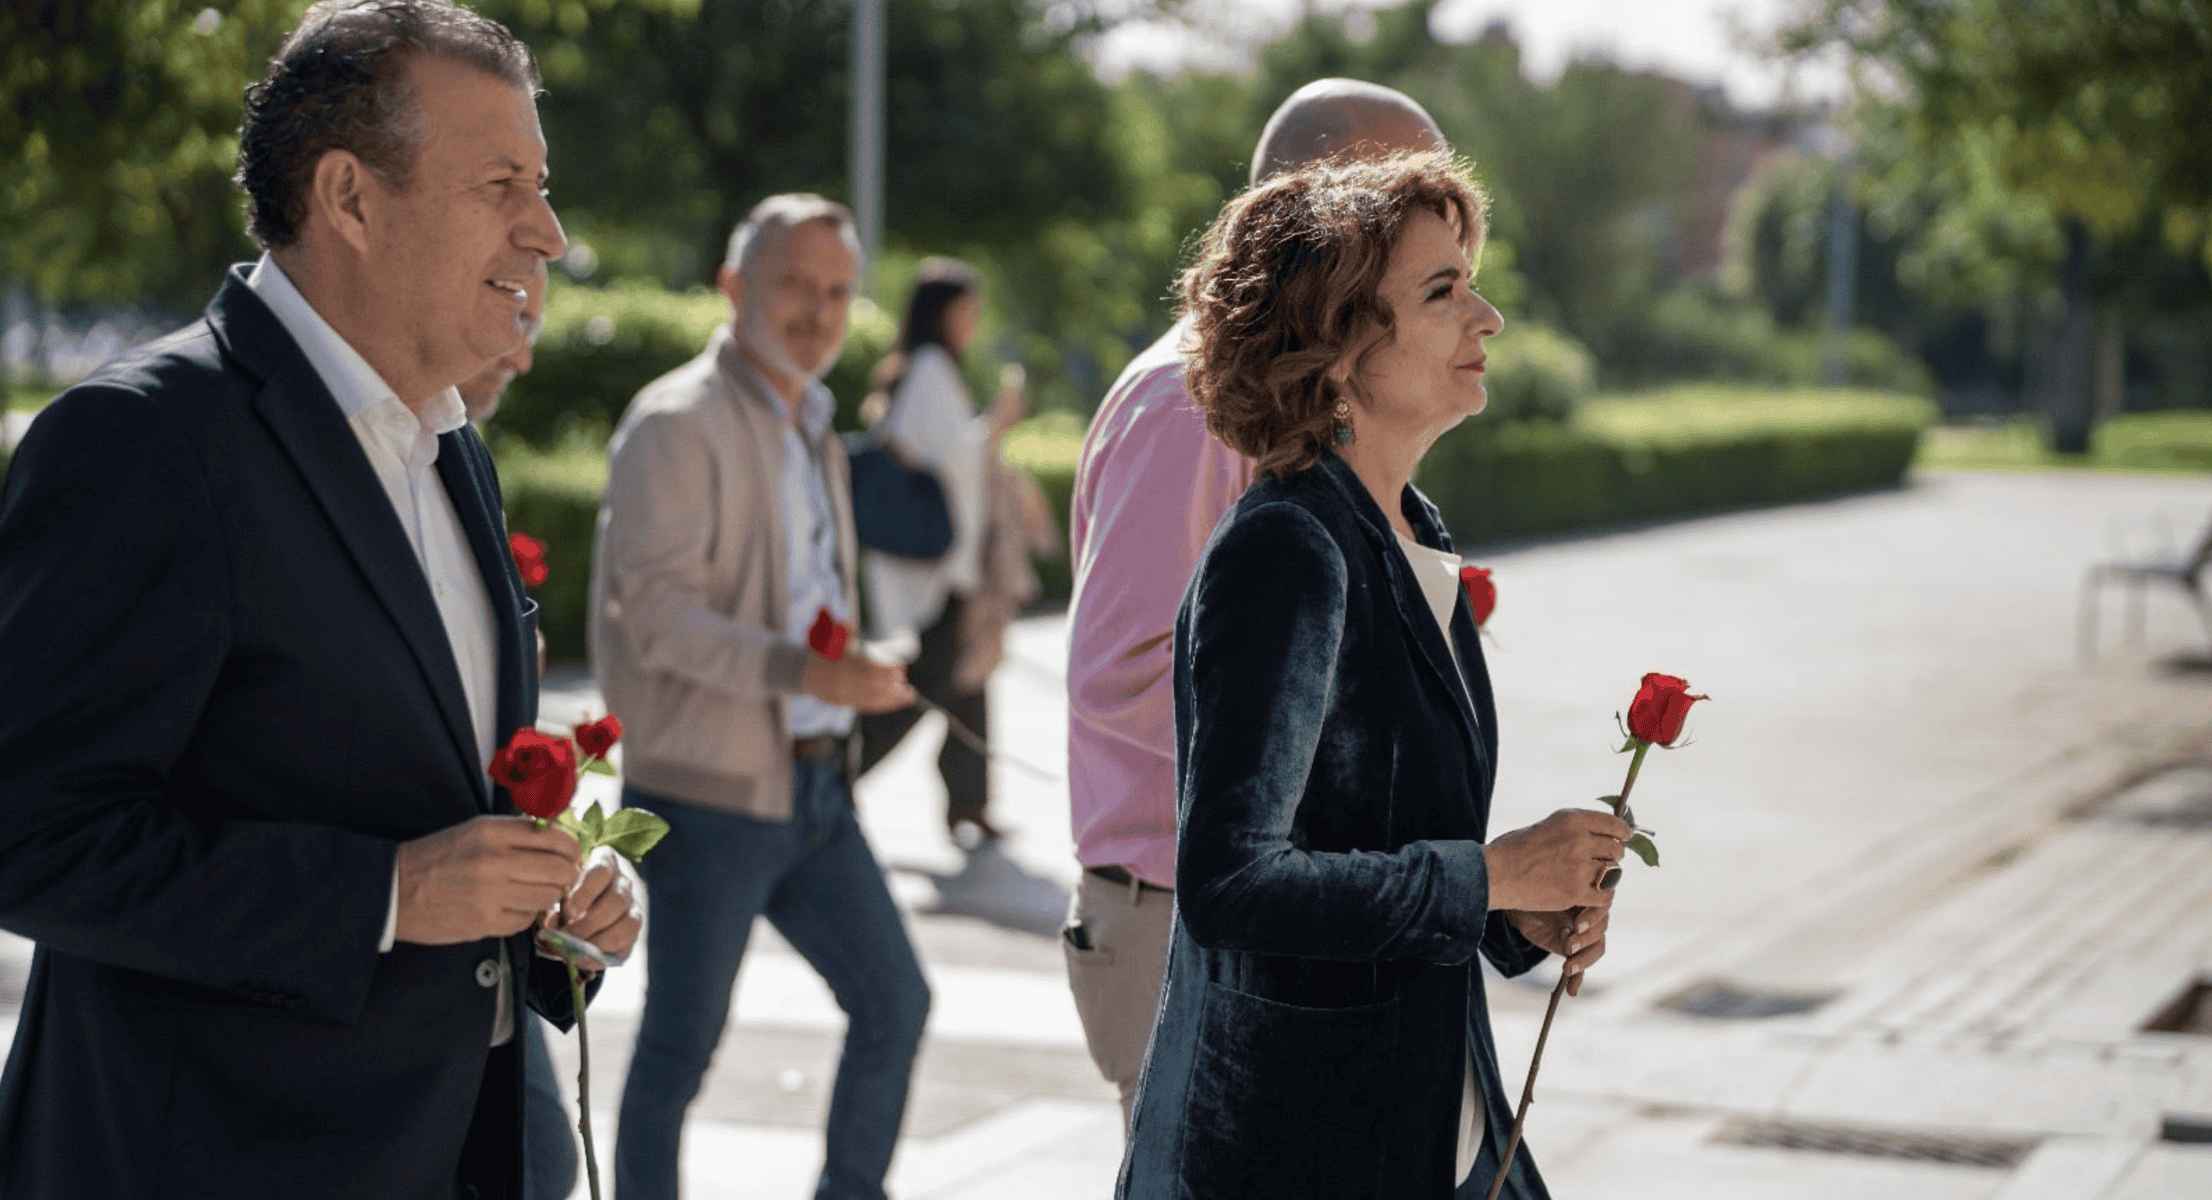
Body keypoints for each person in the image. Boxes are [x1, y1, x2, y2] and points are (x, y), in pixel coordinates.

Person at [0, 4, 642, 1197]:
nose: (547, 232)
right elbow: (31, 835)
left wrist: (554, 901)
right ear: (349, 198)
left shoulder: (452, 445)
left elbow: (430, 780)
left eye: (542, 184)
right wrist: (386, 899)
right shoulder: (143, 441)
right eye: (502, 182)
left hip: (453, 1145)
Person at [1115, 150, 1630, 1200]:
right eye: (1443, 291)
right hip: (1292, 1145)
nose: (1486, 318)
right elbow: (1232, 885)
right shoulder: (1288, 551)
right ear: (1338, 347)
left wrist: (1510, 913)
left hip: (1414, 1111)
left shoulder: (1404, 531)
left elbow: (1369, 837)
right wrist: (1487, 874)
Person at [1064, 78, 1457, 1128]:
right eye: (1403, 192)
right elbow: (1123, 669)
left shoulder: (1296, 397)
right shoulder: (1190, 402)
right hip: (1181, 918)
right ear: (1321, 204)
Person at [592, 193, 930, 1200]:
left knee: (895, 1004)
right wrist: (805, 671)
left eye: (838, 292)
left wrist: (847, 666)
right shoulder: (673, 422)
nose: (819, 312)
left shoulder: (816, 422)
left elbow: (798, 593)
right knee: (676, 1057)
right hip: (705, 798)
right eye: (794, 286)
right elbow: (656, 617)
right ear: (734, 286)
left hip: (818, 789)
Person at [457, 276, 580, 1200]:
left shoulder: (459, 459)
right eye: (514, 319)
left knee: (543, 1155)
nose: (524, 353)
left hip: (489, 946)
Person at [856, 258, 1031, 844]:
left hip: (945, 563)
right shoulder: (931, 369)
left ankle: (968, 802)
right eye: (966, 311)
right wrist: (997, 425)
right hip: (937, 564)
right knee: (926, 683)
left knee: (968, 678)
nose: (973, 323)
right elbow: (950, 459)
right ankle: (834, 779)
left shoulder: (927, 368)